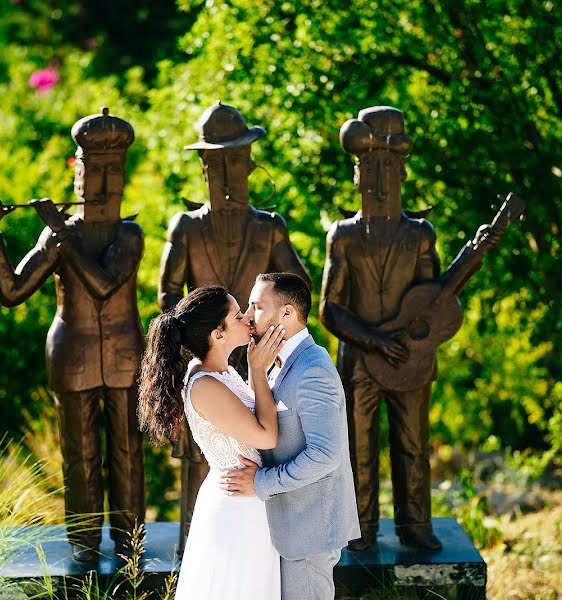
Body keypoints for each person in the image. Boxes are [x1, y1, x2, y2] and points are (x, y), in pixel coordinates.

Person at [0, 107, 145, 561]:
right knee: (81, 457)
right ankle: (84, 543)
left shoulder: (129, 234)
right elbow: (12, 291)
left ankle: (131, 545)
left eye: (114, 172)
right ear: (78, 177)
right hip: (73, 357)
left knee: (128, 453)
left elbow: (107, 285)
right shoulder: (59, 235)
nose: (105, 185)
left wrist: (61, 235)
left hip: (126, 357)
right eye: (95, 172)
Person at [158, 101, 310, 551]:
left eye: (236, 160)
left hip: (252, 365)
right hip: (209, 358)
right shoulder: (185, 227)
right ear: (204, 166)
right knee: (201, 465)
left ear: (250, 162)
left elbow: (298, 294)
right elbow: (168, 296)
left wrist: (267, 335)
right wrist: (204, 336)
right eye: (217, 162)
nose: (228, 172)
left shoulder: (270, 227)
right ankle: (195, 551)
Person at [320, 106, 442, 551]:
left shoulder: (420, 235)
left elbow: (438, 304)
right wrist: (374, 340)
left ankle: (416, 526)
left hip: (410, 361)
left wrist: (413, 340)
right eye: (367, 165)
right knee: (358, 451)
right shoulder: (343, 235)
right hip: (360, 362)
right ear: (355, 174)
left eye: (388, 166)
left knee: (413, 443)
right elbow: (329, 309)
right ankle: (360, 529)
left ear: (403, 173)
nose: (377, 177)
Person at [138, 285, 286, 600]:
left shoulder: (223, 371)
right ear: (218, 333)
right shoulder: (204, 384)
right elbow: (266, 436)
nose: (248, 317)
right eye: (237, 315)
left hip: (250, 500)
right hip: (237, 508)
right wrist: (257, 372)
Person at [221, 272, 360, 600]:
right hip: (288, 525)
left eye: (257, 306)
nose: (249, 316)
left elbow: (325, 456)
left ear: (287, 314)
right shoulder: (274, 361)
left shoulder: (312, 368)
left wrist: (260, 483)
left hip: (309, 531)